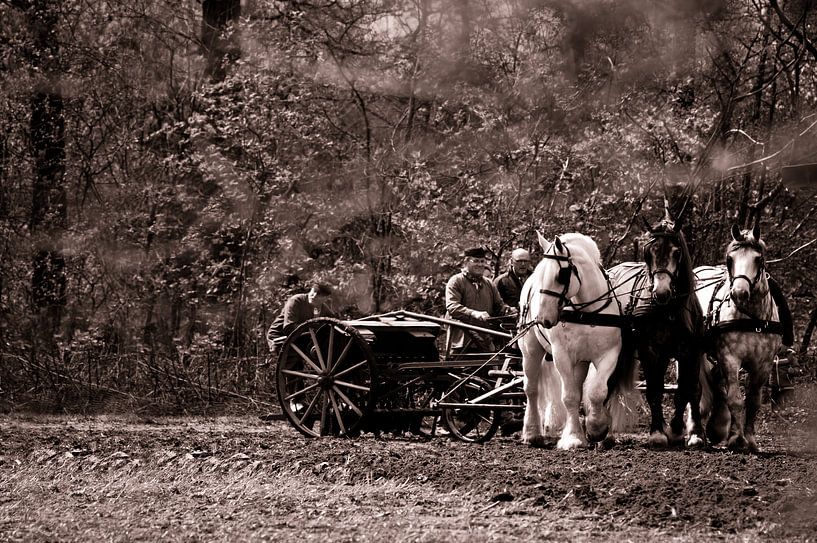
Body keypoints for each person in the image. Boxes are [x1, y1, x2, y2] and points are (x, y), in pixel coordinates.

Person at [445, 246, 517, 354]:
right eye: (476, 261)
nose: (480, 264)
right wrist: (474, 313)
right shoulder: (456, 281)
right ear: (466, 262)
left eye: (482, 261)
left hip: (485, 340)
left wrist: (510, 311)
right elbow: (452, 307)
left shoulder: (489, 284)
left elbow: (499, 306)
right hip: (462, 342)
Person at [266, 282, 335, 355]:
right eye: (314, 291)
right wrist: (312, 328)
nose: (314, 296)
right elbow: (289, 327)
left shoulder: (324, 309)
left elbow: (335, 323)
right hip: (280, 335)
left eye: (319, 294)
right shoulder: (296, 300)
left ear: (326, 298)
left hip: (301, 337)